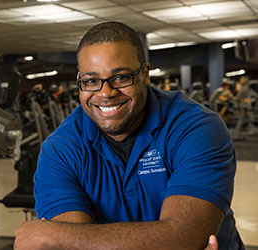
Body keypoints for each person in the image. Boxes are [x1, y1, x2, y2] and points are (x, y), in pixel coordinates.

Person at [14, 22, 243, 250]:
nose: (105, 93)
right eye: (91, 81)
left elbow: (186, 237)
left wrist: (54, 235)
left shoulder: (195, 128)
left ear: (144, 74)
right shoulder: (60, 150)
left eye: (121, 78)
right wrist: (168, 239)